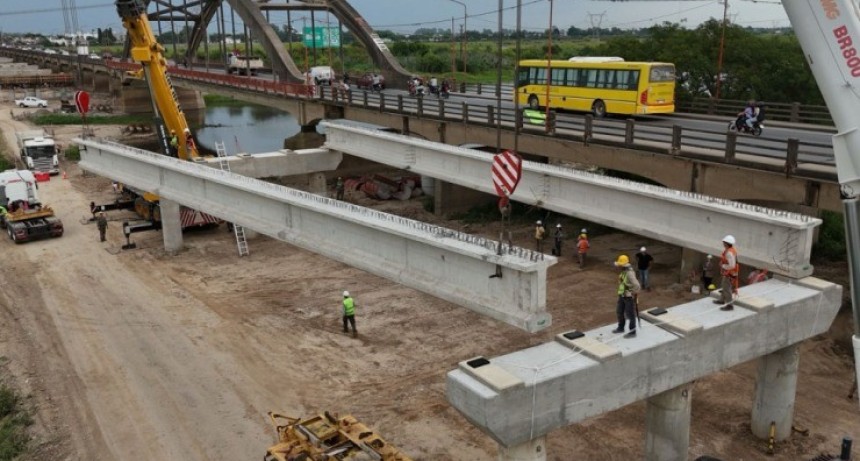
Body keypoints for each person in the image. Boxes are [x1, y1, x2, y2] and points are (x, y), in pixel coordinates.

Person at [612, 254, 641, 338]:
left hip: (628, 297)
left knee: (630, 314)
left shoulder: (629, 273)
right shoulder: (624, 271)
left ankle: (632, 332)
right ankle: (621, 327)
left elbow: (637, 285)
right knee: (619, 311)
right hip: (622, 295)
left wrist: (632, 293)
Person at [716, 235, 739, 311]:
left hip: (730, 272)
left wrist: (723, 266)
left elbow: (732, 265)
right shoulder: (730, 250)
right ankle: (721, 300)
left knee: (727, 287)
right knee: (724, 285)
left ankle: (729, 305)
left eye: (724, 242)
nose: (723, 243)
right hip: (729, 272)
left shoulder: (729, 253)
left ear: (726, 243)